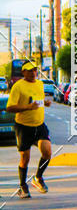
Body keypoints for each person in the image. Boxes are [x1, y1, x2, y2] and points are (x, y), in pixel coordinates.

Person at [7, 62, 53, 198]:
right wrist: (28, 107)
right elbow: (10, 107)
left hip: (39, 125)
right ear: (23, 73)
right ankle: (22, 186)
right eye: (29, 71)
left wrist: (44, 103)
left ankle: (38, 178)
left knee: (47, 152)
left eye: (35, 70)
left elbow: (37, 101)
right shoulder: (18, 86)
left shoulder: (39, 84)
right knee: (25, 158)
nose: (33, 73)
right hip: (23, 126)